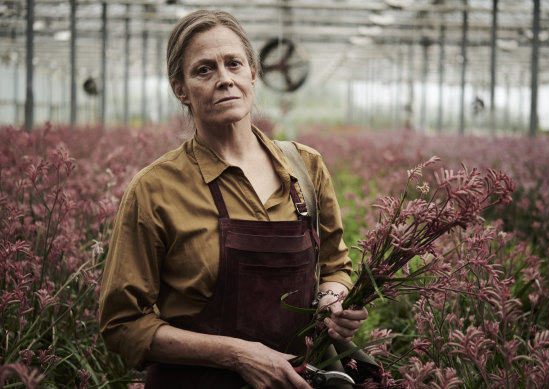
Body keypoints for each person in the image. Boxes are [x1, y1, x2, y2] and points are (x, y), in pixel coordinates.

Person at [98, 9, 368, 389]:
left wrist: (333, 301)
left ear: (253, 74)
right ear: (181, 88)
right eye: (204, 70)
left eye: (233, 64)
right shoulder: (155, 189)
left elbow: (335, 267)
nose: (224, 79)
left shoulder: (305, 168)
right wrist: (237, 354)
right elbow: (122, 324)